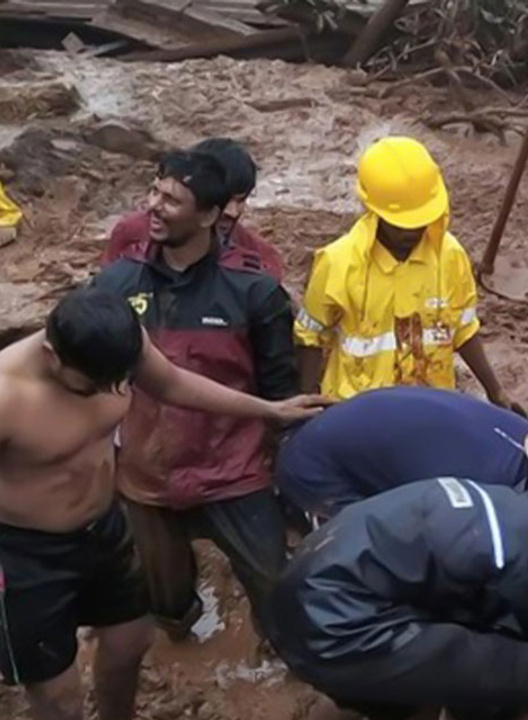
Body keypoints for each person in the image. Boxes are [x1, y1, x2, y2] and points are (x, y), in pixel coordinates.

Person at [0, 287, 326, 720]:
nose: (107, 392)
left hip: (104, 528)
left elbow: (172, 383)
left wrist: (268, 409)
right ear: (51, 355)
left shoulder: (120, 345)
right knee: (60, 699)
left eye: (117, 384)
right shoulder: (7, 396)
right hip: (26, 554)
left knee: (130, 642)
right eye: (90, 385)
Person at [93, 149, 300, 641]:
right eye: (155, 192)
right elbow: (91, 378)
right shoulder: (116, 284)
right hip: (147, 474)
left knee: (276, 587)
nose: (155, 207)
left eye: (172, 200)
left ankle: (282, 656)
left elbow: (280, 393)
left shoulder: (255, 292)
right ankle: (182, 634)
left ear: (210, 214)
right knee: (164, 596)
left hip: (235, 471)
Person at [269, 455, 528, 720]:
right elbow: (509, 673)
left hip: (298, 602)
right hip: (342, 629)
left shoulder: (502, 500)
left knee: (435, 681)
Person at [294, 137, 515, 410]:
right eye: (400, 225)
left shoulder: (449, 256)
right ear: (374, 211)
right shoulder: (338, 263)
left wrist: (496, 391)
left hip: (432, 407)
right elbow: (310, 336)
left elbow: (463, 329)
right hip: (359, 412)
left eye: (419, 223)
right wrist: (306, 404)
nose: (411, 232)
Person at [276, 386, 528, 521]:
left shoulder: (524, 435)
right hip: (311, 464)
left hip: (351, 429)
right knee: (382, 543)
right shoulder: (484, 488)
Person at [102, 138, 285, 281]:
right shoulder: (131, 234)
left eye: (241, 200)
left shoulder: (261, 259)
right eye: (225, 199)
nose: (232, 212)